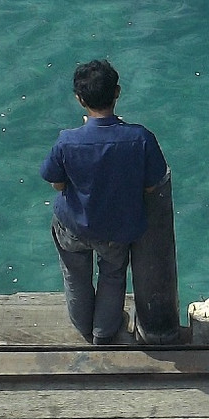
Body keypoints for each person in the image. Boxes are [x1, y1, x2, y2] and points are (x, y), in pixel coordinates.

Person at [39, 60, 168, 344]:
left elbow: (56, 182)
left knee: (75, 275)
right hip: (117, 229)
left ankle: (83, 325)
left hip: (73, 225)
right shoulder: (140, 138)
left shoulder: (66, 141)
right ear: (117, 92)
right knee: (112, 275)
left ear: (80, 99)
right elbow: (152, 183)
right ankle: (104, 331)